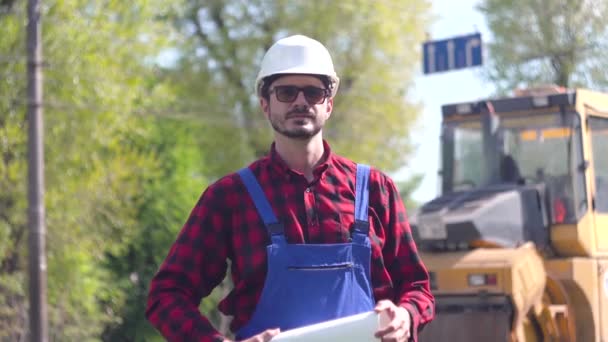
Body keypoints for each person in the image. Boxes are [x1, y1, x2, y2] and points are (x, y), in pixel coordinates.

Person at [146, 34, 435, 342]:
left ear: (329, 105)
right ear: (265, 104)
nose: (300, 102)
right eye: (286, 92)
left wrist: (406, 315)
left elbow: (417, 288)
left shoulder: (377, 190)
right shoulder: (230, 197)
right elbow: (167, 296)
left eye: (313, 92)